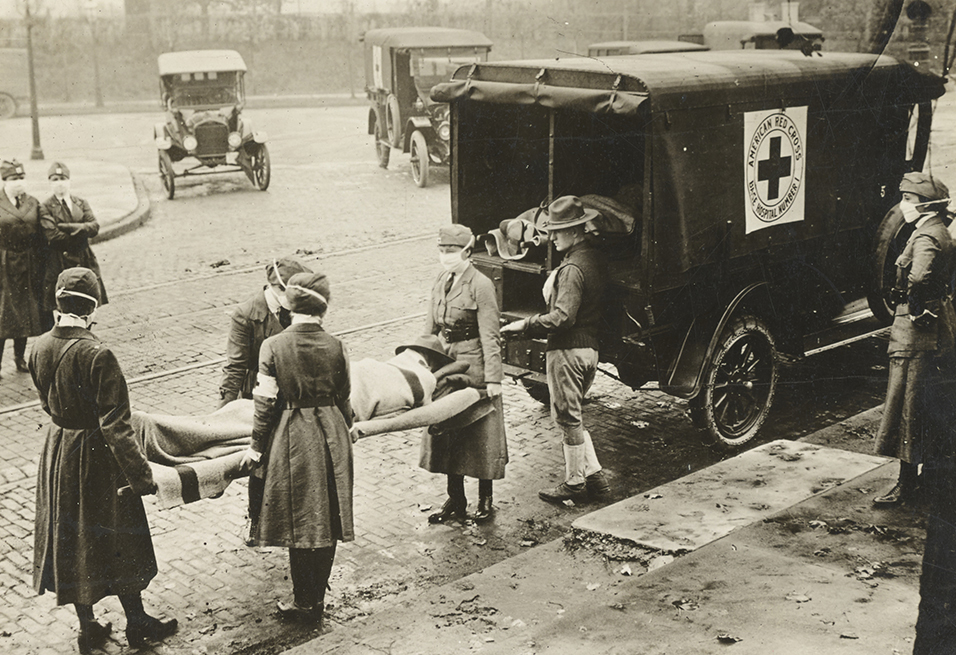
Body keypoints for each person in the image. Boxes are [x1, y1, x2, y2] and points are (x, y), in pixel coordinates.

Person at [30, 267, 177, 653]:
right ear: (92, 308)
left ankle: (87, 626)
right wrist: (142, 478)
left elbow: (46, 403)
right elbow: (117, 426)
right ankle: (137, 622)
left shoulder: (38, 346)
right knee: (119, 537)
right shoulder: (98, 354)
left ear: (59, 303)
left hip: (59, 452)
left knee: (71, 539)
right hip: (97, 458)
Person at [239, 271, 352, 627]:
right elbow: (345, 396)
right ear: (324, 307)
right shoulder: (336, 345)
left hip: (293, 437)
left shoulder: (273, 346)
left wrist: (257, 446)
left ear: (290, 304)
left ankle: (304, 603)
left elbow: (264, 403)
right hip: (332, 433)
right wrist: (346, 428)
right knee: (328, 514)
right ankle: (316, 596)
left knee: (299, 516)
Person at [502, 195, 612, 504]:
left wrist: (524, 326)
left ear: (576, 231)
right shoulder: (593, 259)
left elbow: (563, 317)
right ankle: (597, 480)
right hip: (589, 351)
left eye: (558, 231)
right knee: (572, 417)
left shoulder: (572, 269)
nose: (552, 237)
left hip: (567, 353)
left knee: (567, 419)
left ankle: (574, 483)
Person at [873, 172, 956, 506]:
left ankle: (906, 485)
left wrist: (916, 306)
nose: (904, 205)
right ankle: (921, 478)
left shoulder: (926, 237)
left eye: (908, 199)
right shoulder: (941, 232)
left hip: (916, 335)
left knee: (908, 404)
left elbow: (919, 276)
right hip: (939, 328)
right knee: (926, 404)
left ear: (926, 205)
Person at [220, 256, 311, 545]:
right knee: (260, 461)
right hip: (260, 393)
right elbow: (235, 366)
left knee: (295, 455)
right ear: (275, 288)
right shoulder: (247, 313)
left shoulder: (299, 307)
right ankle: (257, 521)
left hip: (295, 393)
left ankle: (294, 518)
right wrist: (224, 412)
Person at [421, 224, 507, 524]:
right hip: (446, 362)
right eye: (442, 250)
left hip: (474, 366)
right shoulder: (441, 279)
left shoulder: (480, 285)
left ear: (468, 252)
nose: (446, 256)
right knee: (447, 431)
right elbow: (429, 327)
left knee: (480, 435)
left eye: (452, 251)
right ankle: (455, 499)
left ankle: (485, 498)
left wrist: (494, 378)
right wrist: (420, 360)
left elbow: (491, 335)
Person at [38, 161, 107, 333]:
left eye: (62, 178)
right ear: (50, 183)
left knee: (87, 296)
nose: (59, 183)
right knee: (62, 302)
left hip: (83, 257)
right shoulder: (45, 207)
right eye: (55, 179)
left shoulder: (80, 202)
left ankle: (85, 335)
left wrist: (67, 227)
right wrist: (81, 230)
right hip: (59, 260)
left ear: (69, 180)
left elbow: (94, 227)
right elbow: (53, 236)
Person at [0, 159, 43, 375]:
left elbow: (41, 234)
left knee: (24, 313)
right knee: (3, 316)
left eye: (21, 178)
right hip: (4, 266)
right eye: (14, 179)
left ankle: (19, 358)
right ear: (5, 180)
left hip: (27, 265)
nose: (18, 182)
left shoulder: (33, 202)